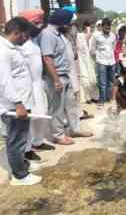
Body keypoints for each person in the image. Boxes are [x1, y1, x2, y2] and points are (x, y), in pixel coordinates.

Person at [41, 9, 93, 146]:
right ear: (62, 22)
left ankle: (74, 129)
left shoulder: (59, 34)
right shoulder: (48, 35)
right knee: (57, 108)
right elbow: (47, 59)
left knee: (72, 104)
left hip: (66, 75)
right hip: (56, 77)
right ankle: (58, 135)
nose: (70, 24)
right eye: (69, 22)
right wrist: (56, 79)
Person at [0, 17, 42, 186]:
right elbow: (4, 81)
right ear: (17, 32)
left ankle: (22, 165)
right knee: (16, 141)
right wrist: (18, 104)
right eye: (25, 35)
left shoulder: (12, 48)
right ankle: (20, 176)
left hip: (20, 103)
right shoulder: (3, 51)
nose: (27, 38)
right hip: (14, 106)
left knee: (21, 138)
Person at [18, 10, 56, 162]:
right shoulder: (19, 43)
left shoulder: (33, 40)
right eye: (36, 23)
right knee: (29, 119)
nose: (39, 26)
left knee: (42, 114)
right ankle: (26, 149)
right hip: (26, 87)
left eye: (40, 23)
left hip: (38, 83)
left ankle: (38, 141)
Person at [90, 18, 116, 107]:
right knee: (102, 82)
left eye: (109, 27)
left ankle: (109, 98)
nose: (107, 29)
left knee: (111, 81)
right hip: (101, 61)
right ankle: (102, 100)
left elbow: (113, 47)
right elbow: (92, 49)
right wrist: (98, 56)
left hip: (111, 61)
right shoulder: (96, 36)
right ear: (102, 27)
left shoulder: (113, 36)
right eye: (106, 27)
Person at [76, 21, 98, 104]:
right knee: (85, 80)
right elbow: (84, 41)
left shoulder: (94, 36)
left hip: (91, 60)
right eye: (87, 26)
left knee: (94, 79)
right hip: (83, 60)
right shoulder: (80, 35)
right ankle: (87, 97)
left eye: (89, 26)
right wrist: (88, 31)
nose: (88, 28)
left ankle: (94, 96)